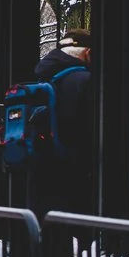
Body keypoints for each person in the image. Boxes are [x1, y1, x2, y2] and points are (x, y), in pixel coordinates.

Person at [24, 29, 96, 219]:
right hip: (72, 169)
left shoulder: (44, 76)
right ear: (87, 52)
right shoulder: (84, 80)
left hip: (41, 165)